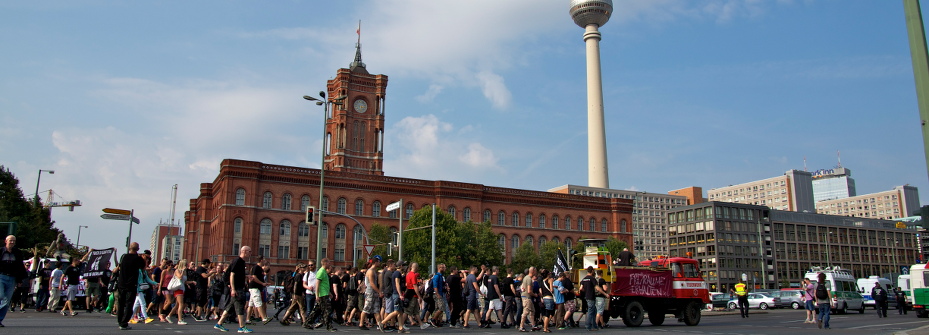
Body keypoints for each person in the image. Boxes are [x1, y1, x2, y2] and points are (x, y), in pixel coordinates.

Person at [214, 246, 253, 333]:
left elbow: (237, 275)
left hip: (237, 287)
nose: (251, 253)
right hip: (237, 288)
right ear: (245, 251)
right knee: (239, 306)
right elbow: (232, 274)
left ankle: (219, 324)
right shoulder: (238, 261)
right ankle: (242, 326)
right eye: (250, 251)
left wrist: (246, 276)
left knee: (230, 307)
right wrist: (233, 289)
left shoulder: (242, 262)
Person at [116, 242, 146, 330]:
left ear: (129, 248)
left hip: (122, 282)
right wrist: (143, 258)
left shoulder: (124, 256)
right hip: (131, 283)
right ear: (138, 249)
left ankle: (120, 320)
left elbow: (120, 266)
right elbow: (143, 268)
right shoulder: (138, 258)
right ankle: (124, 322)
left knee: (121, 303)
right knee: (129, 303)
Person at [0, 235, 27, 327]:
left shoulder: (17, 253)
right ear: (6, 241)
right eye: (10, 240)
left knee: (7, 301)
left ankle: (0, 319)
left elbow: (20, 266)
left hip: (12, 278)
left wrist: (20, 279)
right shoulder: (1, 251)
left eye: (14, 241)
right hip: (1, 277)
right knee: (1, 297)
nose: (12, 242)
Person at [305, 258, 336, 331]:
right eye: (328, 263)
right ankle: (329, 326)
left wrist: (329, 293)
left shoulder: (324, 272)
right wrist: (317, 295)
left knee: (317, 310)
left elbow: (324, 284)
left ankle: (307, 323)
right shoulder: (321, 272)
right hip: (322, 294)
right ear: (325, 263)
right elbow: (317, 284)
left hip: (325, 293)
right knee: (328, 310)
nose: (330, 264)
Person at [358, 256, 383, 331]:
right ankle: (361, 324)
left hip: (374, 292)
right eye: (378, 262)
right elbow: (372, 283)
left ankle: (380, 325)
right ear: (375, 262)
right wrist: (379, 292)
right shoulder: (371, 271)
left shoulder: (374, 271)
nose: (379, 263)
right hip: (370, 292)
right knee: (366, 308)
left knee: (376, 309)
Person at [247, 257, 271, 325]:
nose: (265, 261)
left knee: (251, 304)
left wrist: (265, 283)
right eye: (264, 260)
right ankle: (264, 318)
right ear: (261, 260)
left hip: (256, 287)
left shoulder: (260, 269)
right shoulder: (256, 267)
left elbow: (260, 278)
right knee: (258, 302)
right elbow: (254, 277)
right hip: (254, 287)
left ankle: (248, 319)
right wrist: (262, 283)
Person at [579, 266, 597, 331]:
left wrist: (585, 291)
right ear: (592, 271)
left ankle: (595, 326)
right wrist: (605, 293)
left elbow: (581, 288)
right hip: (591, 296)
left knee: (594, 311)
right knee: (590, 311)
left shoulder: (584, 279)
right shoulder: (592, 278)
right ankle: (588, 326)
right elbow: (597, 287)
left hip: (586, 296)